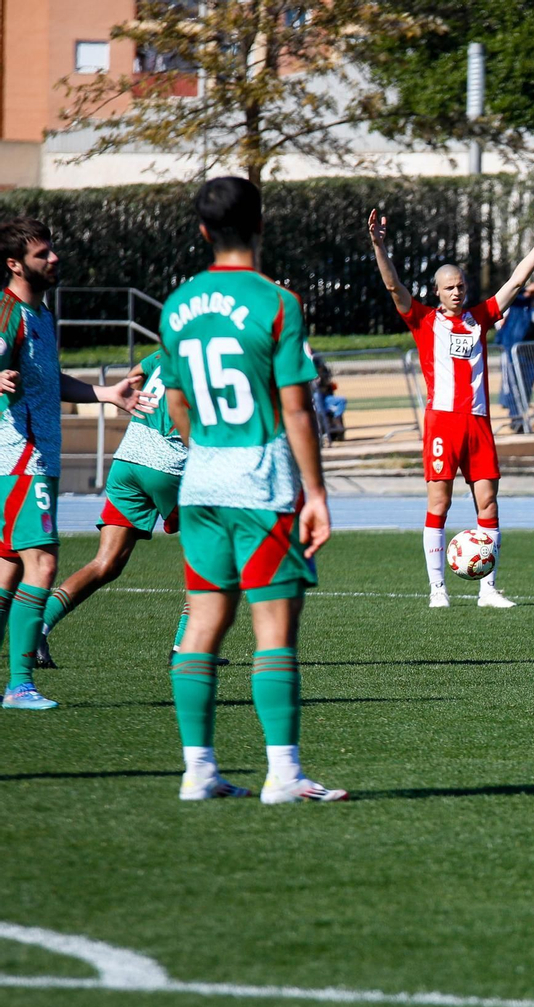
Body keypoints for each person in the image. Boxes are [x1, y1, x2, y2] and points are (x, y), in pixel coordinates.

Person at [159, 176, 341, 802]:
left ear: (204, 231)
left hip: (201, 481)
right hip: (261, 486)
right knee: (273, 630)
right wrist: (314, 492)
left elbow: (176, 399)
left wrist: (208, 445)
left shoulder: (176, 305)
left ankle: (197, 770)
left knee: (204, 624)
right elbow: (296, 408)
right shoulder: (277, 302)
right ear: (261, 226)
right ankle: (285, 775)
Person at [368, 205, 534, 609]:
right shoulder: (423, 320)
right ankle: (437, 589)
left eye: (461, 285)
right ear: (437, 292)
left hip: (478, 423)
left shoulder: (481, 318)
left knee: (489, 502)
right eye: (449, 287)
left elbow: (516, 281)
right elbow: (393, 288)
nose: (457, 291)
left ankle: (488, 589)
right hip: (442, 423)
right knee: (438, 504)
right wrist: (379, 247)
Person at [0, 217, 152, 711]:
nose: (53, 258)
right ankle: (20, 685)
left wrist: (105, 394)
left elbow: (45, 378)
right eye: (42, 254)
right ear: (14, 264)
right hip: (20, 458)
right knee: (41, 563)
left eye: (51, 250)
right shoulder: (8, 312)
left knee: (6, 571)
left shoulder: (41, 315)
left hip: (33, 459)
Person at [35, 347, 192, 669]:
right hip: (168, 467)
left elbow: (134, 374)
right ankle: (187, 645)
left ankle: (38, 626)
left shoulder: (167, 351)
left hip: (128, 461)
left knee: (106, 563)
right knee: (209, 561)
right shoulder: (214, 353)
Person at [496, 279, 534, 429]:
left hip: (530, 354)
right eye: (533, 292)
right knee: (513, 386)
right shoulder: (516, 304)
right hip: (511, 352)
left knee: (526, 387)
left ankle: (522, 416)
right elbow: (512, 291)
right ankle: (516, 420)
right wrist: (525, 291)